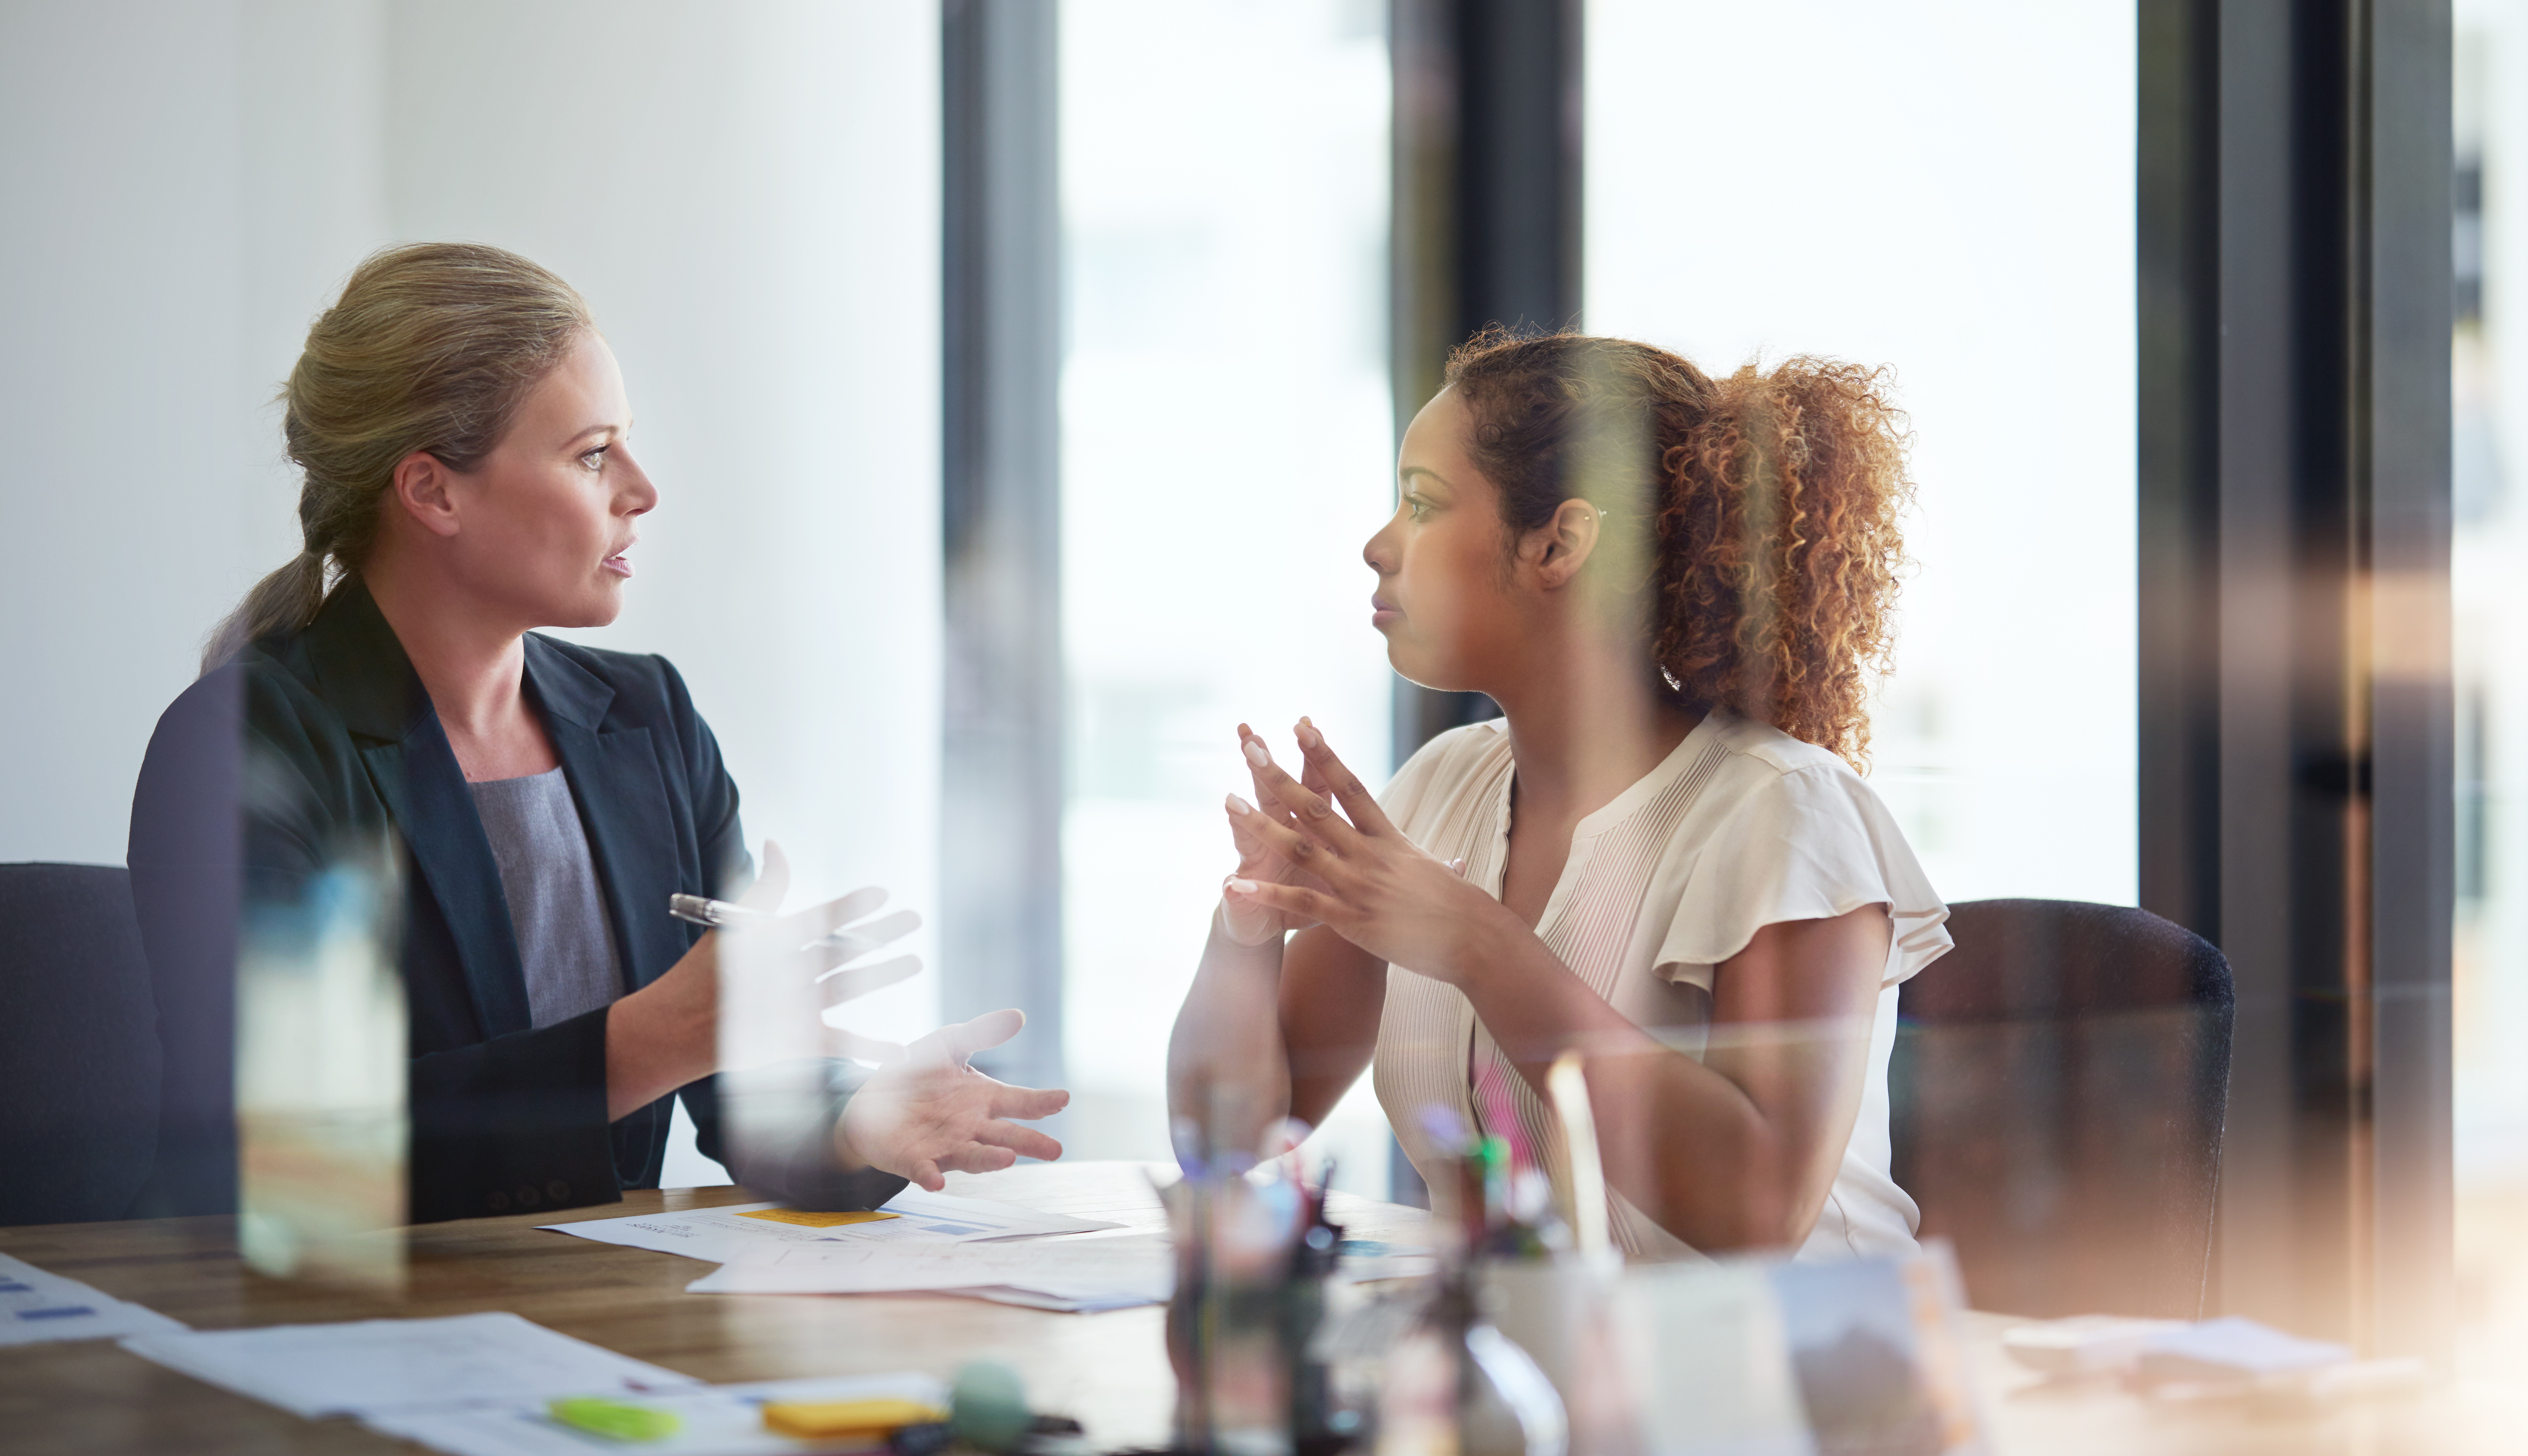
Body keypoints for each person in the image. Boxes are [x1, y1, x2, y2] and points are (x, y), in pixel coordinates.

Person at [128, 242, 1064, 1224]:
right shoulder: (245, 744)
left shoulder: (647, 719)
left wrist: (855, 1119)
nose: (642, 489)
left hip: (594, 1314)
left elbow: (741, 1090)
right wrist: (646, 1043)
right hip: (319, 1331)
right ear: (432, 492)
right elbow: (291, 1153)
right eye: (590, 454)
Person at [1166, 332, 1950, 1259]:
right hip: (1535, 1375)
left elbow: (1760, 1209)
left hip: (1800, 1384)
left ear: (1559, 544)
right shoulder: (1440, 788)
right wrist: (1248, 926)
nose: (1378, 546)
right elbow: (1226, 1143)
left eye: (1422, 504)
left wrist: (1475, 944)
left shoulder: (1785, 812)